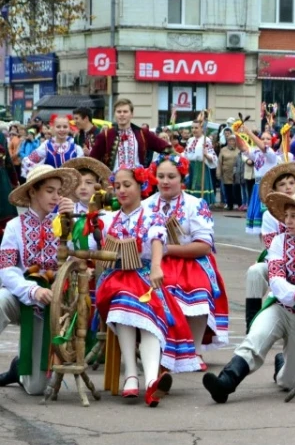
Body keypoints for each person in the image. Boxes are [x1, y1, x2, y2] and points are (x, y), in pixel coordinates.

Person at [202, 191, 295, 403]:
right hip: (280, 307)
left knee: (290, 383)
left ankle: (281, 363)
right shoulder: (279, 242)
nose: (288, 221)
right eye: (286, 216)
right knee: (255, 339)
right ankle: (224, 383)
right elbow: (275, 279)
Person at [95, 163, 194, 406]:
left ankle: (149, 381)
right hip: (114, 280)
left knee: (148, 310)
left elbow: (157, 238)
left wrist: (157, 266)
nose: (121, 191)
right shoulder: (108, 219)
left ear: (141, 186)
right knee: (125, 301)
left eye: (127, 185)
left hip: (144, 276)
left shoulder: (152, 214)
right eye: (117, 186)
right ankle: (131, 373)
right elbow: (90, 241)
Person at [146, 153, 229, 372]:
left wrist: (167, 249)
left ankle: (194, 348)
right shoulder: (146, 205)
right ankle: (161, 347)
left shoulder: (195, 204)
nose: (165, 181)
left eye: (171, 176)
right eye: (160, 176)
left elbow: (204, 245)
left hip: (191, 260)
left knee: (198, 287)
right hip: (155, 262)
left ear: (182, 178)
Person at [0, 165, 79, 394]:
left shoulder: (66, 224)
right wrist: (31, 290)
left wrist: (73, 221)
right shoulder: (14, 227)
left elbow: (80, 257)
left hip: (53, 305)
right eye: (49, 190)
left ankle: (18, 368)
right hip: (21, 298)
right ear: (33, 192)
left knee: (35, 388)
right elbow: (6, 269)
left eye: (58, 191)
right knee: (1, 300)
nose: (56, 197)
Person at [242, 162, 295, 332]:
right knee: (255, 272)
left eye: (291, 183)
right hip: (278, 262)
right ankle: (252, 325)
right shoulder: (269, 216)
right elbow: (272, 250)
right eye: (282, 184)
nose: (288, 188)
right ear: (275, 189)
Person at [89, 99, 171, 169]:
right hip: (114, 183)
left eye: (125, 112)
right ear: (115, 114)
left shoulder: (143, 133)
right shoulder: (105, 136)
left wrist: (155, 168)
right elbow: (92, 160)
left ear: (132, 114)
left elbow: (166, 149)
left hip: (138, 183)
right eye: (119, 112)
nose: (122, 114)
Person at [184, 121, 218, 206]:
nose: (194, 130)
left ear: (202, 129)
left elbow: (213, 157)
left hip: (200, 167)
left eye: (196, 128)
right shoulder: (190, 140)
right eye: (192, 128)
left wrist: (206, 155)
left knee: (199, 187)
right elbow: (185, 153)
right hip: (190, 167)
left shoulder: (206, 140)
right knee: (189, 187)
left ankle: (201, 207)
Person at [218, 133, 241, 211]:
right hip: (226, 172)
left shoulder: (239, 149)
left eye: (233, 141)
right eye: (230, 141)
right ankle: (229, 205)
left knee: (237, 189)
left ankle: (239, 204)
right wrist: (219, 172)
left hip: (237, 173)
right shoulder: (223, 150)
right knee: (228, 189)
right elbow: (219, 162)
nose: (231, 142)